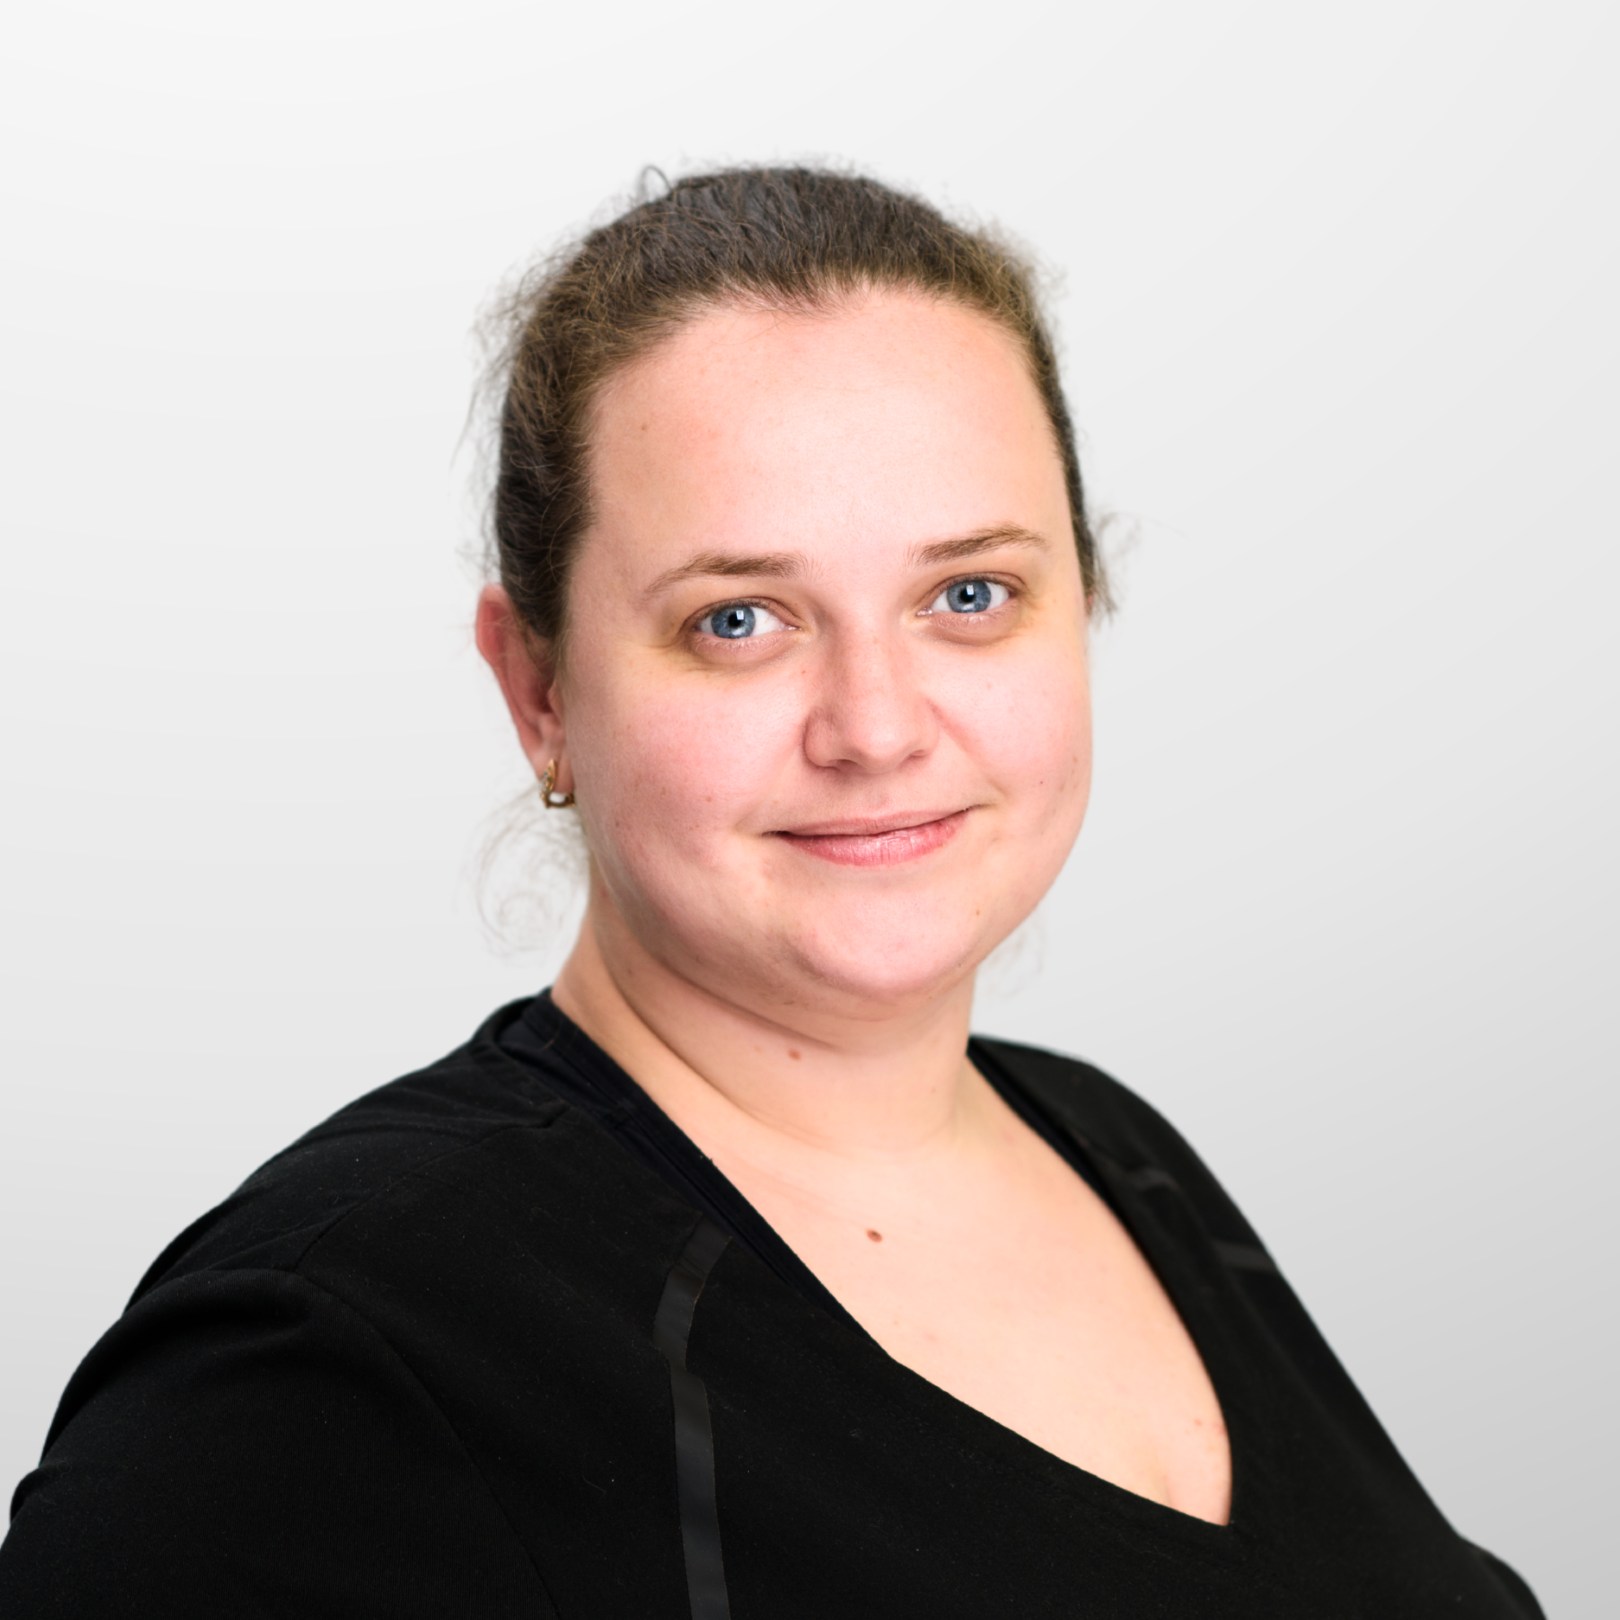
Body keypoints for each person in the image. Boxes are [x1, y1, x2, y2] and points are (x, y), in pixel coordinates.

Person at [0, 166, 1543, 1618]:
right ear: (539, 688)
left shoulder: (1121, 1157)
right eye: (738, 619)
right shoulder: (332, 1352)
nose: (876, 727)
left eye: (970, 595)